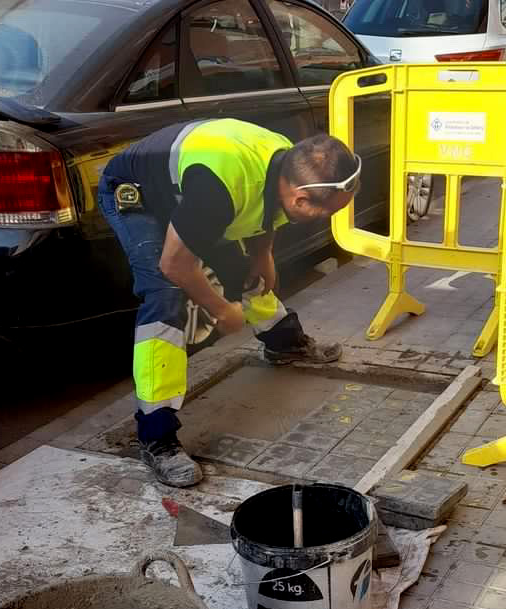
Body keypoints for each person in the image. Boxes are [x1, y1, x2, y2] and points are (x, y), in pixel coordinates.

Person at [98, 118, 361, 488]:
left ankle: (284, 344)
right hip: (138, 194)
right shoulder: (218, 190)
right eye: (329, 212)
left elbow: (266, 207)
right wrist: (222, 310)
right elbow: (175, 263)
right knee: (164, 295)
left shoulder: (285, 158)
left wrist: (263, 253)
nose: (330, 219)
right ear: (302, 199)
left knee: (246, 269)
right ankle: (156, 436)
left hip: (193, 193)